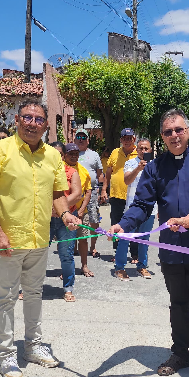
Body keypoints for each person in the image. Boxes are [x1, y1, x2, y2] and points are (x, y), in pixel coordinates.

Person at [108, 108, 189, 377]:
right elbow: (141, 205)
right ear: (162, 137)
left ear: (188, 131)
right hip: (172, 248)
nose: (174, 135)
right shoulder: (154, 167)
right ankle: (180, 353)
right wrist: (123, 225)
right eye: (167, 132)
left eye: (178, 129)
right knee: (177, 303)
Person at [0, 99, 80, 377]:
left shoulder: (53, 156)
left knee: (34, 294)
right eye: (27, 118)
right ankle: (7, 355)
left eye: (38, 119)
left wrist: (66, 214)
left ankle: (33, 346)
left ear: (46, 125)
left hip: (39, 239)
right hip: (7, 241)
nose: (33, 123)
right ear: (17, 120)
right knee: (6, 298)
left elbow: (58, 194)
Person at [114, 138, 156, 281]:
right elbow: (127, 180)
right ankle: (119, 267)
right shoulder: (130, 163)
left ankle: (142, 266)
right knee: (125, 237)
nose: (143, 151)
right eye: (141, 148)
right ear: (136, 150)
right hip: (132, 208)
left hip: (150, 209)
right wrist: (138, 168)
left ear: (150, 150)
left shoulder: (156, 166)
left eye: (146, 149)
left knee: (144, 239)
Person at [48, 142, 82, 302]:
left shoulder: (72, 171)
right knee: (37, 254)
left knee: (67, 255)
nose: (56, 157)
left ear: (63, 156)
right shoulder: (42, 171)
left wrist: (60, 208)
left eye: (59, 154)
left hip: (66, 219)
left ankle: (68, 288)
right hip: (46, 218)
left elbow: (77, 194)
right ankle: (30, 288)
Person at [101, 128, 139, 260]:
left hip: (134, 196)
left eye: (129, 138)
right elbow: (108, 172)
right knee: (116, 223)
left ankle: (135, 254)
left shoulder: (139, 152)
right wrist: (104, 189)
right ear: (121, 140)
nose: (127, 141)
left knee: (134, 224)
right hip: (116, 195)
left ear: (134, 139)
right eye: (124, 138)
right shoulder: (115, 152)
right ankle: (117, 252)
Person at [64, 142, 93, 278]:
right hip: (64, 212)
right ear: (65, 155)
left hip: (81, 211)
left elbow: (88, 192)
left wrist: (81, 211)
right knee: (68, 242)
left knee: (83, 239)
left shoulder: (83, 171)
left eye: (76, 154)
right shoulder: (60, 170)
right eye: (71, 154)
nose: (74, 156)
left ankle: (84, 265)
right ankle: (67, 269)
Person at [75, 128, 104, 262]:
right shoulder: (71, 153)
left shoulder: (94, 155)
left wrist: (102, 190)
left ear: (88, 140)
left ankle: (92, 246)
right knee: (74, 218)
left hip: (91, 192)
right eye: (78, 138)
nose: (81, 140)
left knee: (93, 220)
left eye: (83, 138)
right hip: (74, 193)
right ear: (75, 140)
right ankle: (74, 246)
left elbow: (100, 175)